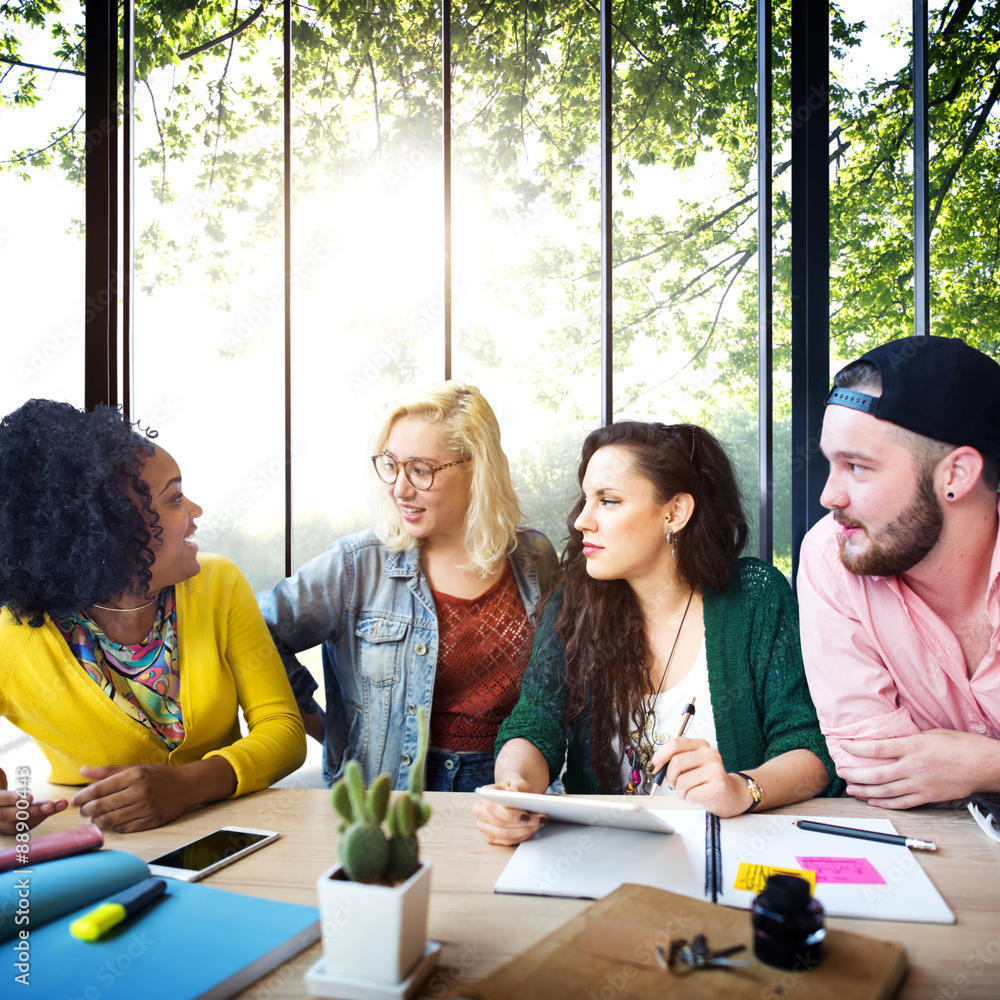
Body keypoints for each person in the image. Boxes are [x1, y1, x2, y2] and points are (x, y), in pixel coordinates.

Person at [475, 421, 840, 845]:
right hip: (601, 856)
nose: (581, 521)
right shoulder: (573, 604)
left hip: (728, 852)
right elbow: (537, 723)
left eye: (608, 501)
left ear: (674, 513)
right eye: (585, 499)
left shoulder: (755, 598)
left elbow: (810, 745)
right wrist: (515, 788)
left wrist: (743, 787)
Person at [0, 399, 306, 835]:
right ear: (111, 531)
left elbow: (284, 731)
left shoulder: (218, 585)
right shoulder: (12, 640)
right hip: (101, 852)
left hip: (232, 836)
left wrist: (186, 786)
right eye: (175, 499)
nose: (195, 512)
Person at [258, 381, 557, 792]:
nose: (399, 488)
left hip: (510, 785)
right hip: (390, 795)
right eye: (391, 465)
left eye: (421, 470)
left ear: (477, 469)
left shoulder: (533, 556)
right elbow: (256, 632)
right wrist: (324, 728)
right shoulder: (355, 564)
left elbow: (554, 685)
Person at [797, 335, 1000, 809]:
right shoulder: (832, 554)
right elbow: (873, 769)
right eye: (832, 463)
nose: (829, 497)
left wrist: (985, 767)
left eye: (857, 467)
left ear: (955, 475)